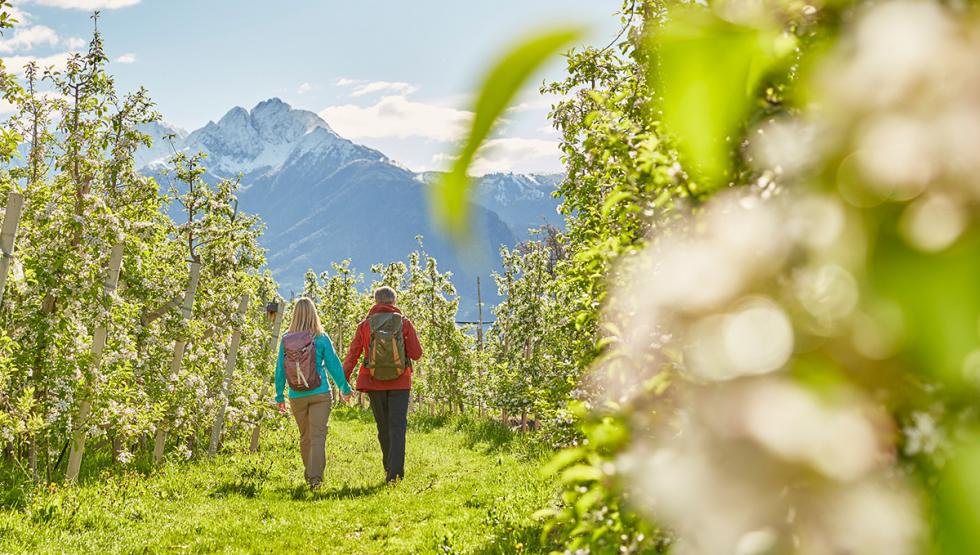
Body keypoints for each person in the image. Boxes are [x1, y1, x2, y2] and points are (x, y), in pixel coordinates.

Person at [343, 286, 422, 483]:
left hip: (373, 380)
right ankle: (395, 474)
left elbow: (353, 354)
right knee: (398, 427)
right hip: (400, 381)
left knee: (383, 426)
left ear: (375, 301)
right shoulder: (404, 323)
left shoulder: (364, 325)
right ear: (394, 302)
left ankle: (388, 465)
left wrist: (343, 378)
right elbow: (416, 354)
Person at [275, 297, 352, 491]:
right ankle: (314, 479)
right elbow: (334, 365)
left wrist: (279, 396)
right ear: (314, 314)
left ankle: (310, 474)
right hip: (320, 393)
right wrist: (344, 388)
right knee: (318, 436)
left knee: (305, 437)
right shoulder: (321, 337)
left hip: (296, 395)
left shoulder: (286, 339)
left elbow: (280, 370)